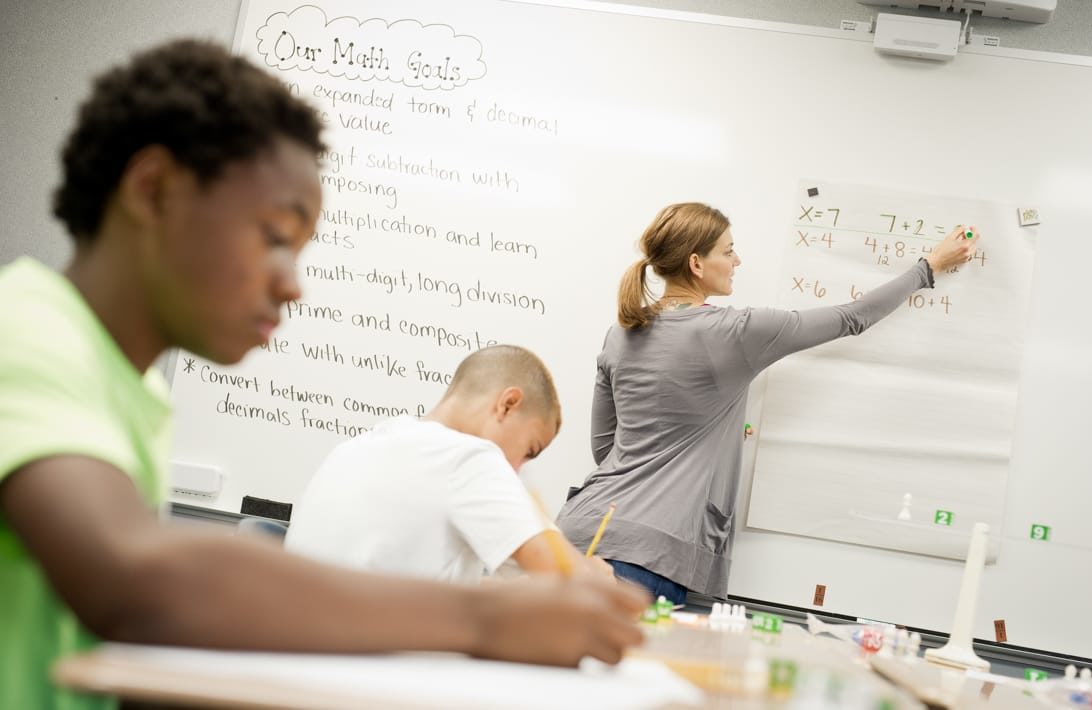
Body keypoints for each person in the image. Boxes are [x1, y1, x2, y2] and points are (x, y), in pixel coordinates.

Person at [0, 40, 647, 710]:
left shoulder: (136, 388)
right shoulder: (25, 333)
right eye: (276, 237)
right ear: (153, 190)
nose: (293, 287)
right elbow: (129, 580)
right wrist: (485, 619)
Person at [556, 202, 980, 604]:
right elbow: (853, 317)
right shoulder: (736, 331)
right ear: (696, 263)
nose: (737, 261)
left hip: (574, 534)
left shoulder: (621, 333)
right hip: (644, 556)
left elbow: (605, 449)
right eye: (729, 250)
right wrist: (929, 268)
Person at [287, 345, 610, 582]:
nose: (517, 469)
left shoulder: (363, 444)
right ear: (507, 405)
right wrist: (592, 572)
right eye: (529, 450)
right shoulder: (469, 458)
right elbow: (570, 582)